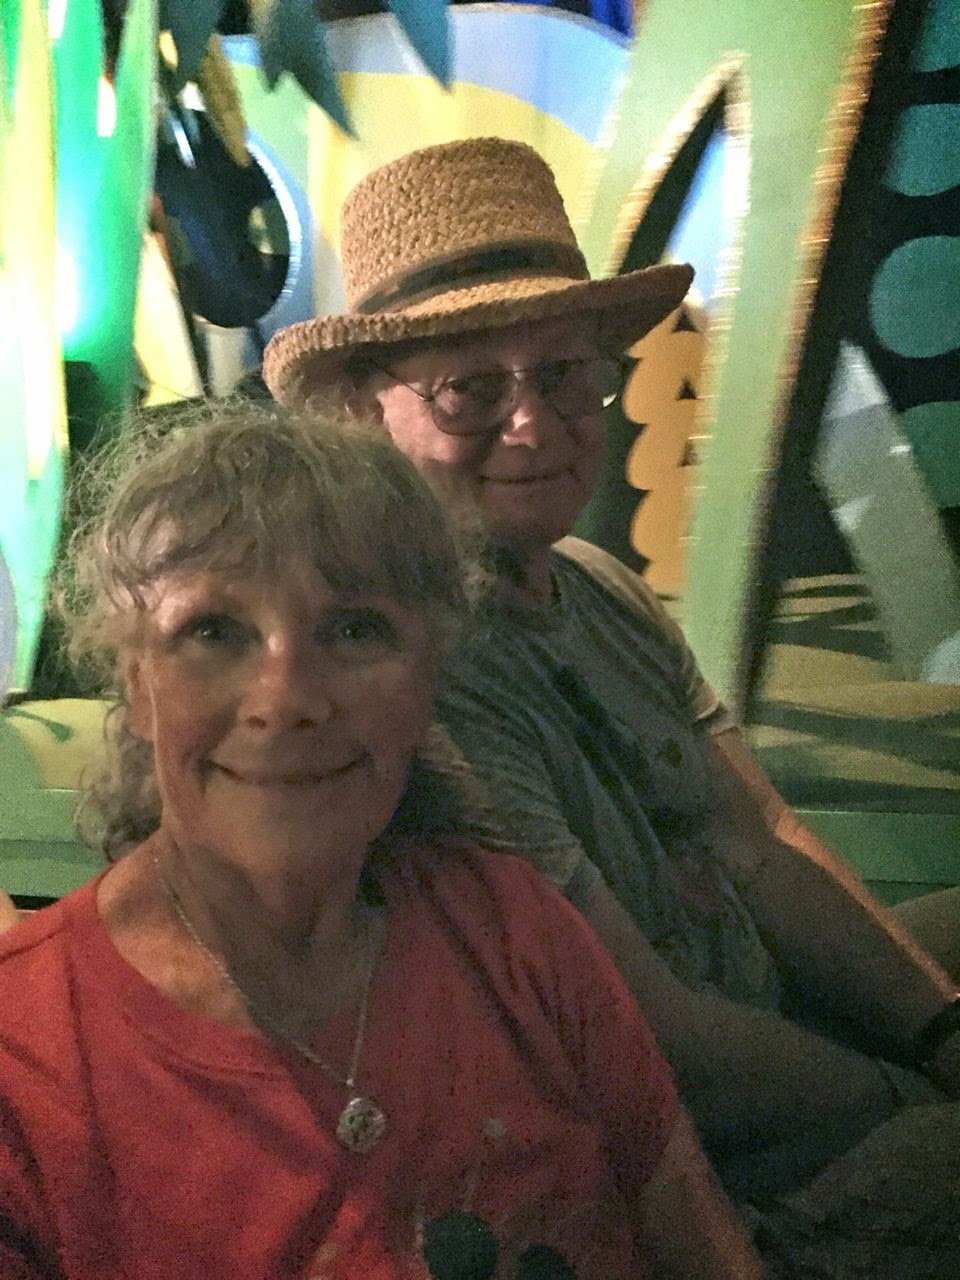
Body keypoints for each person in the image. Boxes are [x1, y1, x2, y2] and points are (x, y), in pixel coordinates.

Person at [262, 138, 960, 1208]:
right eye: (468, 389)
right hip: (694, 1167)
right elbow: (654, 1040)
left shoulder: (597, 583)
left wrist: (938, 1028)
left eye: (562, 374)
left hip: (770, 1018)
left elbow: (759, 838)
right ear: (362, 410)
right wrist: (911, 1098)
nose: (534, 425)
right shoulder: (411, 675)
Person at [0, 400, 762, 1280]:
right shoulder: (27, 1058)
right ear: (137, 687)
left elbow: (700, 1243)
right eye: (213, 632)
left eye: (356, 628)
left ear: (430, 677)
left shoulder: (516, 932)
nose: (286, 698)